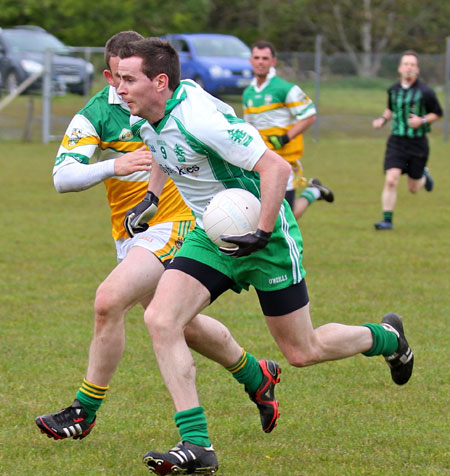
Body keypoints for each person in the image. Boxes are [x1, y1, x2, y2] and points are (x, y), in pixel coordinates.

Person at [116, 37, 414, 475]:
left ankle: (388, 338)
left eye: (127, 79)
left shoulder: (200, 120)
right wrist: (152, 199)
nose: (119, 88)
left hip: (266, 233)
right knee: (161, 318)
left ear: (159, 82)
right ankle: (197, 444)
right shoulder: (149, 113)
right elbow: (164, 145)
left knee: (302, 350)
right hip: (212, 234)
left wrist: (263, 231)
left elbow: (274, 167)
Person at [34, 31, 282, 443]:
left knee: (108, 301)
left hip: (178, 220)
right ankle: (257, 375)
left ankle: (84, 410)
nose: (123, 85)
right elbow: (63, 178)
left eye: (130, 76)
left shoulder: (169, 100)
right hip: (132, 231)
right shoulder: (96, 113)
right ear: (107, 74)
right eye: (117, 77)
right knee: (179, 325)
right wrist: (115, 166)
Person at [243, 40, 334, 220]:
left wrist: (285, 138)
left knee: (285, 215)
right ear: (251, 60)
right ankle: (314, 191)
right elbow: (250, 127)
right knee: (270, 213)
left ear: (273, 62)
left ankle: (312, 193)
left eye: (265, 58)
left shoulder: (285, 88)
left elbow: (309, 115)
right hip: (261, 160)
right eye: (257, 58)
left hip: (285, 160)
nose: (260, 62)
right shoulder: (248, 93)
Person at [372, 50, 443, 230]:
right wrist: (382, 119)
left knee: (413, 188)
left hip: (418, 143)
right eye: (406, 64)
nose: (409, 68)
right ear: (400, 68)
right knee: (391, 179)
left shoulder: (426, 92)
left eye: (412, 65)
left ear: (417, 70)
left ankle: (424, 178)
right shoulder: (393, 90)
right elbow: (390, 109)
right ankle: (387, 220)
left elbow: (438, 113)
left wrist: (422, 120)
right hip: (396, 141)